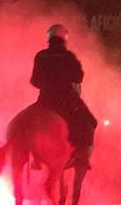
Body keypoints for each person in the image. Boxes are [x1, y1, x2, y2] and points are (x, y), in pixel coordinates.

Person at [31, 24, 97, 169]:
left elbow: (33, 81)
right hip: (65, 99)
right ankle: (82, 158)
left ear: (49, 38)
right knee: (90, 122)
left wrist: (46, 85)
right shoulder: (68, 56)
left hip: (44, 100)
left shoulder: (40, 55)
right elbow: (79, 77)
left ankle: (35, 159)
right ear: (64, 39)